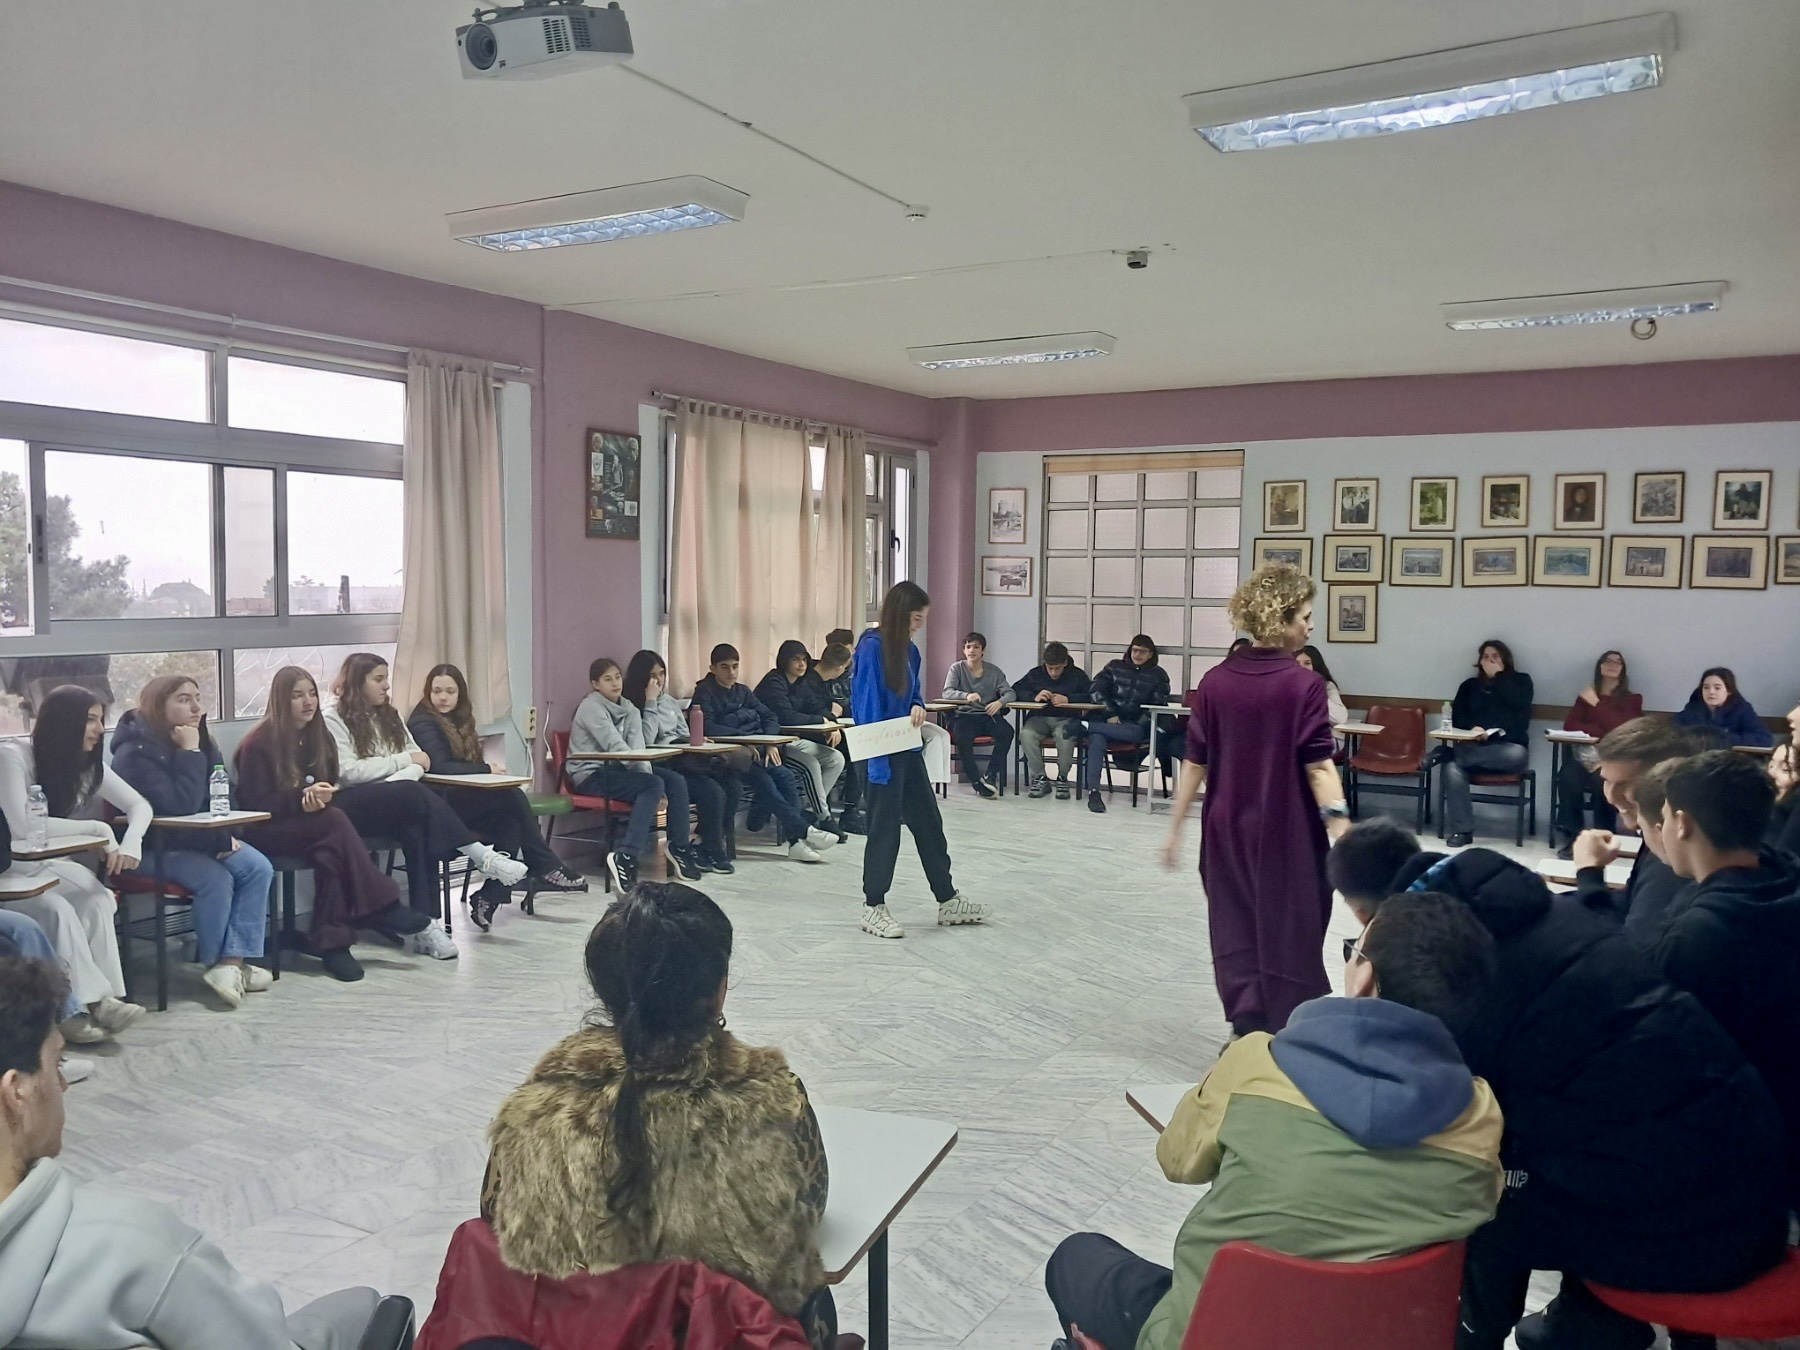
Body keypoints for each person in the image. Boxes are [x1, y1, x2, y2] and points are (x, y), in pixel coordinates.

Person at [1328, 820, 1790, 1350]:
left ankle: (1480, 1336)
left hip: (1694, 1237)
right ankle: (1588, 1322)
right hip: (1756, 1184)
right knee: (1576, 1141)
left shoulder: (1463, 985)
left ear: (1366, 919)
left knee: (1485, 1196)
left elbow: (1449, 1133)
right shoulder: (1552, 913)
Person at [1044, 893, 1504, 1350]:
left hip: (1209, 1337)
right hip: (1370, 1335)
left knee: (1075, 1258)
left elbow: (1176, 1159)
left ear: (1364, 976)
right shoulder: (1480, 1119)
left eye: (1353, 949)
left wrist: (1214, 1087)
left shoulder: (1255, 1062)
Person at [481, 884, 839, 1350]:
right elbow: (808, 1207)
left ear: (603, 988)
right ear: (718, 991)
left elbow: (495, 1216)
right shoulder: (770, 1099)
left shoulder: (544, 1100)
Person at [0, 956, 383, 1349]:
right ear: (17, 1093)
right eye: (57, 1063)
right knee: (366, 1309)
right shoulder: (125, 1247)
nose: (63, 1085)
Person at [1160, 567, 1350, 1036]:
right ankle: (1287, 1029)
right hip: (1288, 830)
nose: (1311, 627)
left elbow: (1195, 762)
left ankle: (1245, 1028)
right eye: (1305, 617)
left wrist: (1175, 829)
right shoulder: (1303, 686)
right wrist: (1344, 833)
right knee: (1293, 927)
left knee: (1236, 925)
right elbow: (1319, 767)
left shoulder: (1215, 682)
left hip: (1226, 829)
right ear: (1280, 619)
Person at [1652, 750, 1800, 1209]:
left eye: (1661, 818)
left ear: (1682, 823)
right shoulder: (1783, 879)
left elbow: (1669, 1061)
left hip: (1739, 1151)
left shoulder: (1700, 935)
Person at [323, 653, 529, 960]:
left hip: (396, 796)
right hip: (352, 803)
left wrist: (395, 780)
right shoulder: (333, 717)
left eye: (386, 678)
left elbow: (423, 759)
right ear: (357, 682)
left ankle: (427, 926)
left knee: (416, 828)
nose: (386, 686)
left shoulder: (389, 714)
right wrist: (403, 765)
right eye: (378, 679)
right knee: (412, 793)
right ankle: (482, 857)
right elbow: (350, 772)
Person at [233, 667, 431, 980]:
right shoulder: (258, 743)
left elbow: (328, 778)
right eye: (297, 695)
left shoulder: (318, 735)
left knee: (331, 851)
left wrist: (321, 793)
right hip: (265, 830)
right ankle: (381, 905)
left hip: (313, 825)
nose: (308, 702)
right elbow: (255, 804)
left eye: (312, 693)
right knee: (335, 823)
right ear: (281, 700)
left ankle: (334, 945)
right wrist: (300, 799)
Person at [108, 676, 274, 1009]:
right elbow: (177, 807)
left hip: (198, 841)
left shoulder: (202, 740)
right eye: (184, 700)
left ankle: (232, 961)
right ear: (159, 706)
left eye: (197, 698)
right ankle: (216, 963)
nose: (196, 707)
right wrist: (190, 752)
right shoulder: (134, 753)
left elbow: (224, 794)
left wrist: (225, 833)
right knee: (215, 878)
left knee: (258, 867)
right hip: (150, 849)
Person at [0, 686, 146, 1044]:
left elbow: (139, 805)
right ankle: (79, 1009)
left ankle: (107, 1000)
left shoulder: (83, 764)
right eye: (90, 720)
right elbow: (22, 825)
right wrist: (98, 830)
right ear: (64, 723)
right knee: (57, 909)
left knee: (94, 897)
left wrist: (132, 842)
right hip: (10, 870)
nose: (98, 729)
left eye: (100, 719)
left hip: (47, 864)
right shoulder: (12, 756)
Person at [853, 582, 988, 939]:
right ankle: (873, 905)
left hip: (907, 748)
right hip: (879, 751)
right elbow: (867, 706)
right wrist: (877, 763)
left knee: (928, 822)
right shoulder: (872, 647)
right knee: (884, 828)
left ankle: (947, 898)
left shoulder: (910, 650)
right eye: (916, 617)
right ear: (900, 614)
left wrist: (917, 706)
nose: (920, 625)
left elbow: (914, 694)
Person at [406, 662, 587, 917]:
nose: (443, 697)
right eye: (437, 691)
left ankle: (489, 897)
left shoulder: (460, 719)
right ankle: (545, 865)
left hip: (459, 798)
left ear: (460, 694)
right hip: (439, 804)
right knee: (511, 795)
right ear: (428, 692)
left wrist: (484, 772)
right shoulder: (423, 722)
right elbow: (440, 766)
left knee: (509, 823)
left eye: (450, 691)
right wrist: (486, 769)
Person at [691, 645, 834, 864]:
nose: (731, 672)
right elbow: (707, 727)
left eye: (735, 666)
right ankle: (803, 831)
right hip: (726, 758)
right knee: (764, 781)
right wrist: (744, 740)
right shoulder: (704, 692)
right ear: (712, 668)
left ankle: (796, 842)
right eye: (725, 667)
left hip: (757, 750)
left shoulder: (742, 691)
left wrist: (769, 743)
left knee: (785, 776)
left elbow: (770, 716)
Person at [1568, 717, 1706, 939]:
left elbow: (1627, 950)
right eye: (1606, 781)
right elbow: (1630, 903)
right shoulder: (1658, 832)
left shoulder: (1671, 858)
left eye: (1625, 785)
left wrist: (1589, 873)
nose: (1611, 797)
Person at [569, 657, 692, 892]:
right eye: (607, 679)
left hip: (617, 770)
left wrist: (657, 788)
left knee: (673, 781)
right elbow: (615, 746)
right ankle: (626, 856)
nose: (615, 683)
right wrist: (653, 787)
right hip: (590, 774)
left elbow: (638, 749)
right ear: (595, 684)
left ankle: (679, 847)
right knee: (652, 784)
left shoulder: (630, 709)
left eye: (617, 677)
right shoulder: (590, 707)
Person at [624, 649, 737, 875]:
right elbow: (645, 740)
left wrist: (694, 740)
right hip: (658, 763)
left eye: (662, 674)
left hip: (682, 758)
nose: (658, 680)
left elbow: (683, 731)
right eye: (652, 675)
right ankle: (703, 848)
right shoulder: (633, 705)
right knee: (710, 791)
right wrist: (650, 701)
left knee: (732, 784)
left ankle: (707, 846)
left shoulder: (668, 701)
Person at [1440, 640, 1534, 847]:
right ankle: (1462, 831)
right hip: (1475, 747)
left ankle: (1447, 753)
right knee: (1451, 769)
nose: (1490, 661)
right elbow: (1457, 718)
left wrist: (1499, 676)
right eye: (1485, 657)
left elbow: (1520, 708)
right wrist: (1473, 729)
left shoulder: (1521, 682)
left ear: (1505, 660)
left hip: (1508, 749)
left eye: (1495, 656)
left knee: (1516, 754)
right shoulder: (1469, 686)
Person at [1554, 650, 1643, 850]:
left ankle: (1603, 836)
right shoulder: (1586, 696)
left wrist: (1595, 703)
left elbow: (1622, 728)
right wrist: (1601, 731)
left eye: (1617, 662)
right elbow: (1570, 725)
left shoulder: (1632, 699)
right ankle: (1573, 836)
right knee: (1568, 776)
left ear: (1623, 670)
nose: (1612, 664)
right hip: (1584, 758)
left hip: (1613, 759)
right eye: (1607, 661)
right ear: (1599, 667)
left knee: (1602, 782)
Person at [754, 641, 847, 826]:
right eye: (795, 659)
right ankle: (824, 817)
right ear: (784, 661)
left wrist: (832, 724)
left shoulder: (800, 683)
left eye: (804, 659)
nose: (802, 664)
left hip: (792, 740)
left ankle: (810, 812)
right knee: (811, 763)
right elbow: (786, 716)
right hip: (771, 743)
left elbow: (817, 707)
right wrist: (822, 721)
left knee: (836, 758)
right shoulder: (773, 682)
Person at [1084, 635, 1171, 814]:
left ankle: (1084, 726)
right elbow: (1096, 690)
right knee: (1097, 739)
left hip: (1135, 726)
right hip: (1109, 720)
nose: (1137, 654)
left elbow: (1157, 705)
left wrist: (1135, 723)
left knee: (1135, 732)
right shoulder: (1114, 667)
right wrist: (1110, 713)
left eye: (1142, 651)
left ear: (1151, 654)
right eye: (1134, 650)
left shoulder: (1159, 675)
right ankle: (1094, 793)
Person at [941, 632, 1016, 800]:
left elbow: (1010, 693)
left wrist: (1000, 702)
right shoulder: (957, 668)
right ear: (964, 650)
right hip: (963, 715)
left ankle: (991, 775)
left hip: (986, 715)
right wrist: (965, 696)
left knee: (1007, 732)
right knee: (963, 737)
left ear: (983, 651)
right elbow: (947, 692)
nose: (972, 650)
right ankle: (976, 780)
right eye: (968, 647)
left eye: (976, 647)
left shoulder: (994, 671)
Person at [1015, 642, 1091, 800]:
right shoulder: (1035, 674)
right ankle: (1040, 778)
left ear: (1065, 663)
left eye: (1057, 668)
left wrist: (1069, 699)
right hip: (1039, 718)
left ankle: (1062, 778)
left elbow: (1091, 695)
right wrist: (1034, 697)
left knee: (1065, 737)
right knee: (1026, 734)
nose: (1053, 672)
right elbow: (1016, 690)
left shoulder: (1078, 675)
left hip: (1067, 718)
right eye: (1050, 668)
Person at [813, 640, 864, 831]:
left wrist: (832, 719)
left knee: (859, 749)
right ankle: (848, 812)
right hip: (812, 733)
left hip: (826, 730)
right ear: (840, 668)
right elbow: (817, 708)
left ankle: (851, 810)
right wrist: (831, 720)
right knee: (856, 750)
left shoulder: (823, 680)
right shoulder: (812, 681)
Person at [1673, 666, 1774, 748]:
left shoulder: (1742, 710)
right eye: (1706, 687)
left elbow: (1764, 738)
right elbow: (1672, 734)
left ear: (1729, 690)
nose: (1711, 692)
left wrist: (1723, 738)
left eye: (1717, 688)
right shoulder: (1691, 710)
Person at [1295, 644, 1347, 755]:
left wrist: (1316, 692)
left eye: (1307, 663)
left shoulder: (1327, 686)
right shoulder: (1288, 686)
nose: (1301, 668)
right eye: (1297, 663)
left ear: (1316, 665)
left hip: (1326, 736)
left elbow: (1340, 718)